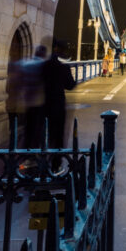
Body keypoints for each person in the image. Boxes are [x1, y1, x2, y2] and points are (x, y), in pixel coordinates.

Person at [42, 40, 76, 168]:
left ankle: (42, 162)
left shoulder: (44, 65)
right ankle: (56, 163)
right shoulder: (63, 67)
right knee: (58, 136)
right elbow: (70, 85)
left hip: (45, 104)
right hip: (58, 104)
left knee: (45, 133)